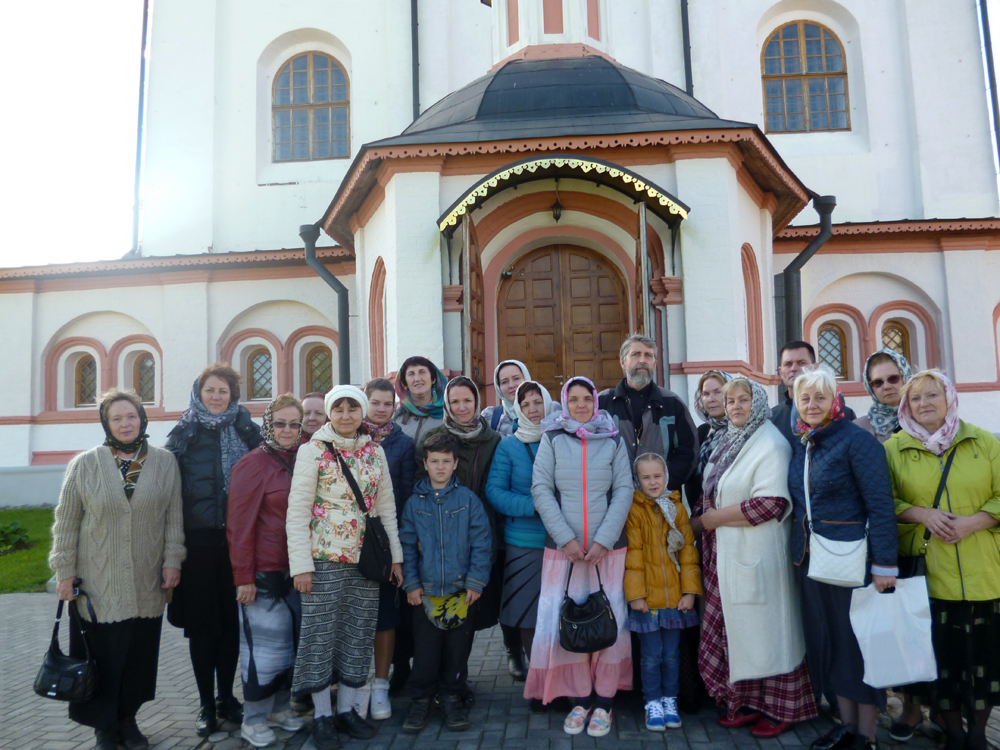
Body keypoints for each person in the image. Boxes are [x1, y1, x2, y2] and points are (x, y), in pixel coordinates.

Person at [50, 389, 185, 750]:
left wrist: (173, 561)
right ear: (106, 424)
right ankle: (104, 728)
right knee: (103, 658)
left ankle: (128, 720)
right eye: (117, 418)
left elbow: (174, 517)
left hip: (147, 580)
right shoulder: (85, 464)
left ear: (142, 418)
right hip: (97, 583)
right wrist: (64, 571)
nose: (126, 424)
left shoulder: (164, 462)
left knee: (138, 656)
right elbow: (66, 522)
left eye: (132, 416)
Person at [690, 377, 816, 737]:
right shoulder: (730, 440)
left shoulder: (771, 444)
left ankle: (783, 708)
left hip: (758, 554)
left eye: (743, 400)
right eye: (731, 403)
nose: (736, 408)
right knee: (739, 633)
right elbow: (713, 488)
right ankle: (745, 702)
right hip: (724, 553)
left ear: (757, 402)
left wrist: (711, 519)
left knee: (769, 633)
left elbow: (771, 504)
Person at [886, 370, 1000, 750]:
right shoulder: (894, 448)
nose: (924, 404)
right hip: (929, 576)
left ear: (949, 397)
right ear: (907, 406)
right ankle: (953, 734)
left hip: (984, 572)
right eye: (916, 398)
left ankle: (979, 736)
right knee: (942, 663)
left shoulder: (983, 442)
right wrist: (921, 514)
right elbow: (884, 502)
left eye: (932, 395)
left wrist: (974, 522)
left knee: (984, 663)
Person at [286, 385, 404, 750]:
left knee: (357, 634)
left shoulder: (375, 452)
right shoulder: (312, 451)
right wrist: (301, 567)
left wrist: (395, 557)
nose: (347, 415)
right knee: (320, 638)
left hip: (366, 561)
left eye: (354, 408)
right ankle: (322, 715)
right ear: (330, 412)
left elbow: (386, 509)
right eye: (339, 408)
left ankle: (349, 710)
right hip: (323, 560)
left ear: (363, 413)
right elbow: (298, 511)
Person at [787, 365, 898, 750]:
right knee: (831, 641)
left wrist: (885, 564)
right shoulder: (806, 442)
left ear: (835, 399)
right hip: (814, 560)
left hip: (853, 559)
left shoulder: (856, 440)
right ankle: (846, 726)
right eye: (805, 398)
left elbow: (881, 505)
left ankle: (866, 734)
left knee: (856, 645)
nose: (812, 404)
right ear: (796, 403)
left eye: (820, 397)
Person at [525, 376, 634, 738]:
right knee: (569, 618)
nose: (582, 405)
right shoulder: (553, 438)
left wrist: (603, 539)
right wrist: (566, 539)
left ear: (595, 402)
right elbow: (540, 488)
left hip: (608, 551)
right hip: (564, 552)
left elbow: (624, 489)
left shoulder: (613, 439)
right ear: (565, 403)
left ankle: (604, 700)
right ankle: (579, 699)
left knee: (607, 617)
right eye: (574, 400)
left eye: (587, 398)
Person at [166, 363, 261, 737]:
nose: (217, 397)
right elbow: (169, 490)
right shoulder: (184, 432)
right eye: (210, 391)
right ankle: (206, 703)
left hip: (237, 542)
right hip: (200, 542)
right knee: (203, 628)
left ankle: (228, 698)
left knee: (231, 627)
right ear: (199, 393)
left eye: (223, 391)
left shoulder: (246, 428)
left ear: (233, 395)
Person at [415, 376, 512, 678]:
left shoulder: (493, 439)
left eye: (467, 401)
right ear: (446, 404)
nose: (461, 407)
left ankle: (456, 680)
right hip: (440, 539)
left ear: (477, 402)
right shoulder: (434, 438)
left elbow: (494, 487)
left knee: (468, 612)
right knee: (438, 614)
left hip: (479, 536)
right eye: (454, 401)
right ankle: (434, 682)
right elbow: (419, 490)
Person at [226, 394, 308, 748]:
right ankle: (254, 718)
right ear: (267, 424)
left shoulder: (304, 458)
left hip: (297, 570)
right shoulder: (252, 464)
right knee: (263, 651)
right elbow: (239, 526)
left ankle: (279, 709)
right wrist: (243, 577)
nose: (287, 430)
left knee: (289, 647)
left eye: (294, 424)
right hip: (264, 573)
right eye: (280, 423)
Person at [399, 431, 493, 734]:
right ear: (425, 463)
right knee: (425, 652)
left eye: (446, 461)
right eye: (434, 461)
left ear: (455, 464)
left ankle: (452, 695)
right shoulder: (414, 504)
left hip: (460, 592)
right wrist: (411, 584)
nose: (440, 466)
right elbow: (407, 546)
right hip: (426, 594)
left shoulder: (468, 501)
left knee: (457, 650)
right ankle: (421, 699)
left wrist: (475, 583)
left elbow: (481, 543)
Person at [485, 380, 554, 706]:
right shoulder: (509, 446)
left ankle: (561, 678)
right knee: (529, 614)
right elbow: (495, 491)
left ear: (549, 404)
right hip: (524, 540)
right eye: (525, 404)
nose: (532, 409)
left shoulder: (564, 438)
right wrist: (534, 506)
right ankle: (538, 682)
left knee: (557, 613)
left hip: (563, 540)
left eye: (537, 402)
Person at [624, 453, 702, 732]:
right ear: (637, 479)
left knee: (671, 655)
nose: (653, 482)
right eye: (646, 477)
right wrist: (636, 595)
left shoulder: (677, 507)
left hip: (675, 600)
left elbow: (689, 552)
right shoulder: (633, 510)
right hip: (647, 601)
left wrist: (690, 591)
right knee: (650, 655)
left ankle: (670, 700)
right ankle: (652, 702)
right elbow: (633, 555)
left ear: (666, 476)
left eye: (657, 476)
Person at [361, 377, 416, 713]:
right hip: (348, 539)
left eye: (387, 404)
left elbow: (407, 494)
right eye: (376, 403)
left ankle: (384, 681)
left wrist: (401, 545)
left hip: (384, 541)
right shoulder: (347, 436)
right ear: (366, 402)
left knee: (386, 615)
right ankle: (353, 683)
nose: (381, 409)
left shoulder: (403, 444)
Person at [598, 334, 698, 494]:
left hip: (662, 500)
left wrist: (661, 483)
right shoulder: (603, 402)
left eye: (648, 355)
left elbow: (689, 452)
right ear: (623, 362)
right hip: (615, 499)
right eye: (636, 355)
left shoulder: (672, 403)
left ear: (655, 363)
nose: (642, 360)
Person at [771, 341, 855, 444]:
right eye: (788, 364)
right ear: (781, 372)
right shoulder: (773, 418)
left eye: (801, 363)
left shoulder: (844, 415)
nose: (793, 369)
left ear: (815, 368)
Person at [854, 348, 912, 444]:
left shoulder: (925, 419)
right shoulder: (858, 429)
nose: (886, 386)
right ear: (870, 388)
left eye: (893, 378)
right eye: (878, 382)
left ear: (905, 378)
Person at [393, 356, 449, 443]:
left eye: (422, 372)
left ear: (433, 379)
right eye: (411, 374)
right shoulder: (395, 415)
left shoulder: (447, 414)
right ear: (405, 383)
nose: (417, 379)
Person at [481, 359, 529, 436]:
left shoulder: (544, 412)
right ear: (498, 387)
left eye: (516, 378)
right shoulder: (489, 417)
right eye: (504, 382)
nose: (511, 385)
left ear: (526, 379)